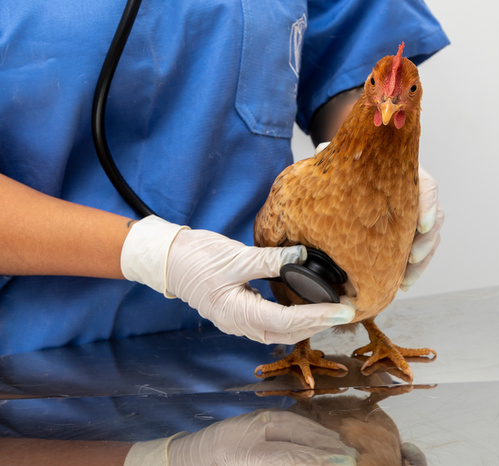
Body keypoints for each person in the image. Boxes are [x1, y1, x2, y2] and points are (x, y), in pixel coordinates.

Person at [0, 1, 448, 356]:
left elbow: (350, 54)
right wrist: (156, 256)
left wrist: (363, 162)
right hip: (37, 367)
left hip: (257, 340)